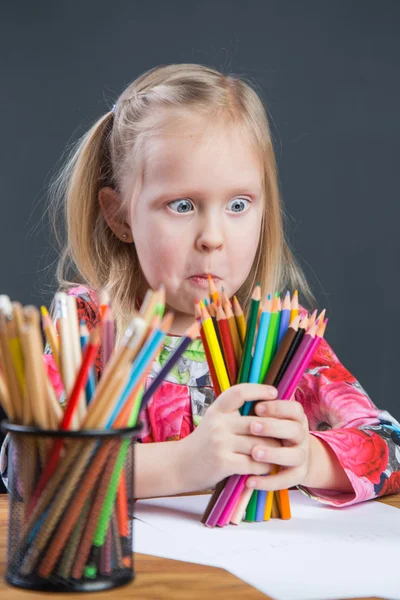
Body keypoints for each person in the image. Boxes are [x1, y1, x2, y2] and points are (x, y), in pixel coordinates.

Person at [3, 64, 399, 507]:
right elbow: (26, 465)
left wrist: (307, 459)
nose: (213, 236)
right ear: (119, 216)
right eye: (183, 204)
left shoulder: (284, 336)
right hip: (136, 569)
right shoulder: (90, 324)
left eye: (237, 204)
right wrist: (183, 464)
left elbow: (392, 448)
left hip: (252, 572)